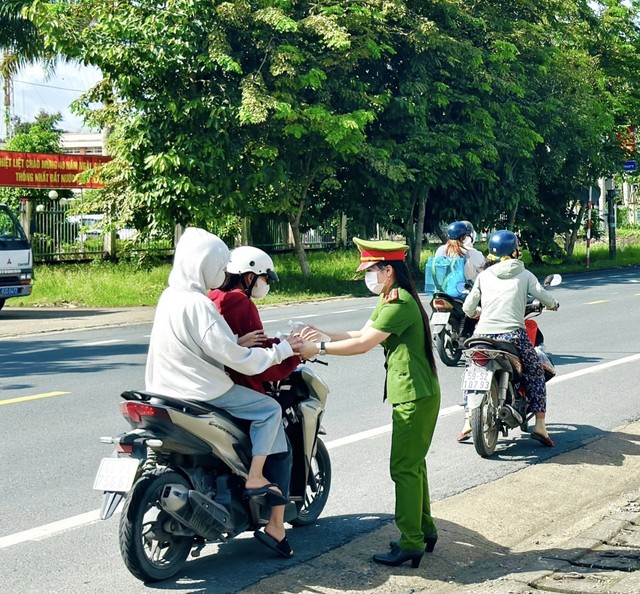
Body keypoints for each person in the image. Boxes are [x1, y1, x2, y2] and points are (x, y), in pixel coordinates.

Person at [145, 227, 303, 557]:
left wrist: (236, 342)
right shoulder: (200, 304)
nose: (222, 271)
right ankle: (256, 477)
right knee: (269, 411)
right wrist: (285, 349)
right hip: (203, 392)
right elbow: (242, 362)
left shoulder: (170, 297)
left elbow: (202, 345)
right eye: (217, 264)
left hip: (163, 390)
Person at [299, 238, 441, 569]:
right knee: (414, 465)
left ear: (388, 270)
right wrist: (321, 334)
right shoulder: (391, 297)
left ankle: (410, 542)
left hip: (414, 395)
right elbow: (360, 332)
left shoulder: (399, 303)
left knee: (404, 468)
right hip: (416, 392)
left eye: (371, 270)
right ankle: (424, 531)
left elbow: (363, 344)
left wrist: (317, 349)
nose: (368, 277)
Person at [208, 245, 301, 557]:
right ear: (248, 276)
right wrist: (293, 351)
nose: (266, 283)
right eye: (263, 277)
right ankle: (275, 525)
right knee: (282, 450)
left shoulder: (212, 297)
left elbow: (241, 342)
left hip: (196, 389)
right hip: (234, 386)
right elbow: (259, 360)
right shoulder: (239, 301)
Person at [461, 229, 559, 447]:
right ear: (515, 250)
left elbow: (468, 307)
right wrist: (554, 305)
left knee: (471, 369)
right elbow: (544, 296)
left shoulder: (484, 276)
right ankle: (540, 426)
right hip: (512, 336)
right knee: (535, 371)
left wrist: (476, 313)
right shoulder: (525, 275)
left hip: (482, 335)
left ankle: (468, 420)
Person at [434, 220, 485, 285]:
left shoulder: (440, 249)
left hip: (442, 288)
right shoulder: (471, 252)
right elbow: (484, 270)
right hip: (462, 291)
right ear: (466, 236)